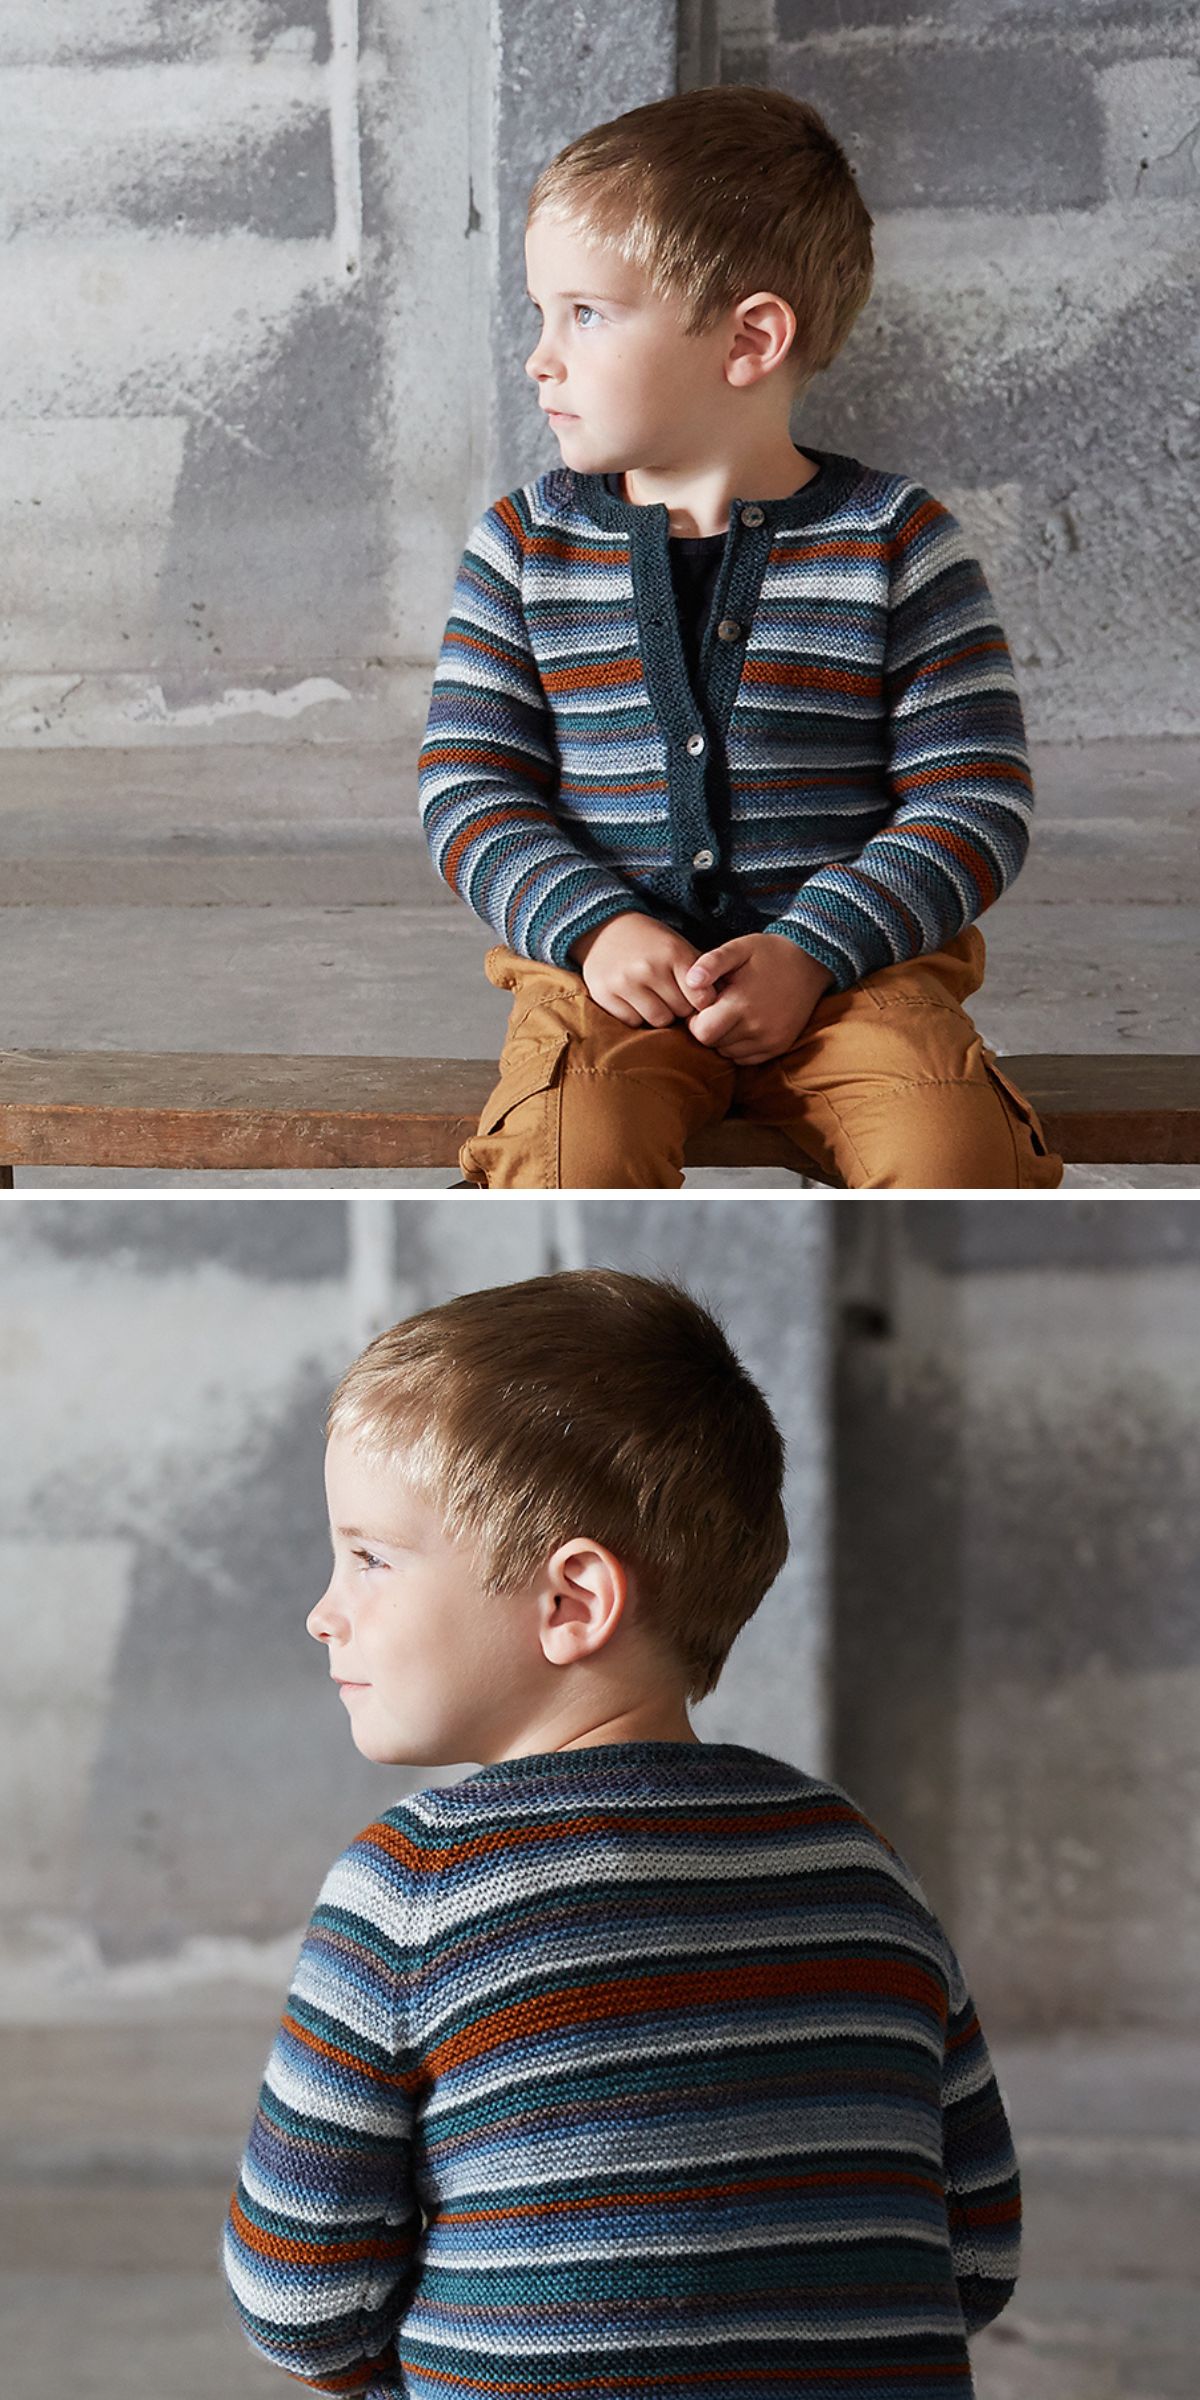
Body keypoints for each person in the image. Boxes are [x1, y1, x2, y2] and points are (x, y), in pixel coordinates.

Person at [222, 1268, 1022, 2396]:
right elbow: (977, 2256)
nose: (324, 1611)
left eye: (370, 1558)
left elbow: (303, 2308)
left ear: (572, 1602)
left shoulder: (412, 1892)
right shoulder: (860, 1861)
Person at [417, 84, 1062, 1190]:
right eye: (540, 313)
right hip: (608, 982)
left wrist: (815, 947)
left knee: (956, 1154)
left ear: (750, 338)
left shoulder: (898, 542)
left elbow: (974, 799)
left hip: (858, 975)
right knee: (567, 1156)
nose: (540, 357)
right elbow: (469, 788)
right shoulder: (522, 548)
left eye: (585, 314)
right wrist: (595, 927)